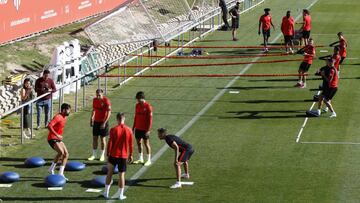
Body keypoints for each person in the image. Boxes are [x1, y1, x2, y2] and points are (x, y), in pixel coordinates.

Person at [103, 113, 133, 200]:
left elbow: (110, 143)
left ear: (117, 119)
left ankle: (106, 193)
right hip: (123, 156)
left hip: (113, 154)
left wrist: (107, 154)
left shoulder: (113, 129)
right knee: (121, 175)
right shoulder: (129, 130)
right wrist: (131, 155)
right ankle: (120, 195)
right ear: (124, 118)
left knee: (109, 173)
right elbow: (131, 144)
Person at [47, 103, 71, 180]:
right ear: (63, 110)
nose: (69, 111)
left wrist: (59, 136)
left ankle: (60, 173)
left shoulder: (64, 117)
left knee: (66, 154)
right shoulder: (58, 117)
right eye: (68, 110)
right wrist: (57, 135)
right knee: (61, 152)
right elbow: (49, 126)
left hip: (58, 139)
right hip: (52, 138)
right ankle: (52, 168)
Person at [88, 89, 111, 162]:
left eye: (99, 95)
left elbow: (109, 112)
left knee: (102, 139)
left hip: (103, 122)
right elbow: (94, 110)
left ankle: (102, 155)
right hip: (96, 122)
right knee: (95, 138)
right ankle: (94, 155)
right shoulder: (95, 100)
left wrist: (104, 122)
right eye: (97, 95)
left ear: (102, 94)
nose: (98, 96)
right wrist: (91, 118)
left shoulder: (106, 101)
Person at [132, 91, 153, 166]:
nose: (137, 100)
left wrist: (148, 130)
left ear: (142, 98)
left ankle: (148, 159)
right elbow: (136, 117)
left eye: (138, 99)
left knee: (146, 144)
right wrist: (133, 127)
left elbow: (150, 120)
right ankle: (140, 158)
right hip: (138, 128)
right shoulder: (137, 105)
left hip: (145, 129)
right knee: (139, 143)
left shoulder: (148, 107)